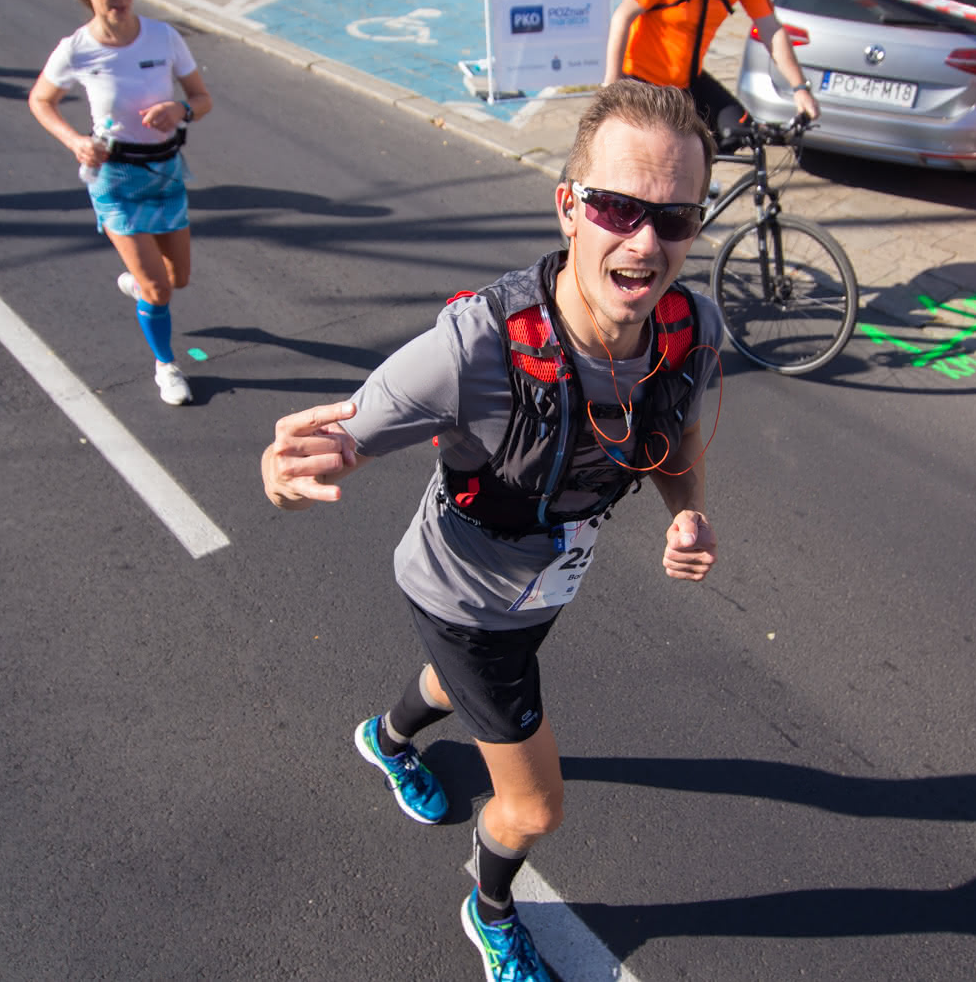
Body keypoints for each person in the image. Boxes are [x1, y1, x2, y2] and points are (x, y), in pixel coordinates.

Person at [260, 81, 725, 982]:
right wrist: (281, 477)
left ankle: (387, 738)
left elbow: (678, 440)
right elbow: (327, 444)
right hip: (462, 593)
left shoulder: (690, 327)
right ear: (568, 205)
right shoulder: (476, 347)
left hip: (542, 585)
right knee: (538, 805)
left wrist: (687, 511)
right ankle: (492, 906)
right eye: (618, 207)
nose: (645, 241)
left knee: (463, 685)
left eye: (675, 217)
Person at [28, 0, 212, 406]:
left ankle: (139, 285)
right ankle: (166, 366)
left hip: (167, 172)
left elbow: (202, 97)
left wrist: (180, 110)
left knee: (179, 279)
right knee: (158, 289)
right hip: (115, 179)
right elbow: (41, 100)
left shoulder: (163, 37)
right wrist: (75, 141)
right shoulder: (76, 50)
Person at [605, 0, 819, 147]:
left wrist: (799, 88)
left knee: (742, 132)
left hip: (687, 82)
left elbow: (771, 30)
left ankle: (696, 179)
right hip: (640, 80)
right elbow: (622, 17)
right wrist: (613, 86)